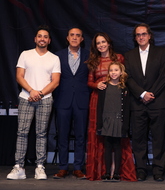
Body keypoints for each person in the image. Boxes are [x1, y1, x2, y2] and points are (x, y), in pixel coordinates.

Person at [7, 25, 61, 180]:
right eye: (39, 36)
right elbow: (19, 76)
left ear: (49, 40)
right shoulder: (25, 54)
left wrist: (40, 93)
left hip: (45, 99)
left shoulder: (54, 58)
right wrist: (31, 91)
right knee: (22, 133)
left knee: (41, 134)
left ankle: (40, 167)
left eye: (45, 37)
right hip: (26, 98)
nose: (42, 39)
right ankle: (19, 167)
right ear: (35, 39)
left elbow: (55, 81)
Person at [85, 32, 136, 181]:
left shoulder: (118, 58)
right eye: (98, 43)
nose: (101, 45)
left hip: (116, 98)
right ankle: (102, 170)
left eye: (103, 42)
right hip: (98, 99)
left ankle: (118, 169)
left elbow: (124, 78)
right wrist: (96, 84)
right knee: (102, 136)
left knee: (118, 138)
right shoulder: (93, 61)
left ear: (108, 43)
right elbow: (89, 82)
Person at [124, 23, 165, 181]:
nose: (141, 37)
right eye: (138, 35)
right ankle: (141, 169)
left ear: (150, 36)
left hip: (157, 102)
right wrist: (142, 94)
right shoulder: (128, 55)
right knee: (138, 138)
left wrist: (151, 94)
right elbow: (127, 77)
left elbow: (164, 76)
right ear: (135, 38)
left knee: (158, 138)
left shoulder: (161, 52)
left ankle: (158, 170)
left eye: (143, 34)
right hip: (137, 103)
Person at [53, 28, 90, 179]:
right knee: (62, 135)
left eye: (78, 36)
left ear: (82, 39)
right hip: (63, 100)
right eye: (72, 35)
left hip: (82, 100)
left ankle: (78, 167)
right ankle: (63, 167)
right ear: (67, 38)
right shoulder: (57, 56)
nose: (75, 38)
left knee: (81, 136)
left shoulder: (89, 55)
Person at [97, 62, 130, 181]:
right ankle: (106, 172)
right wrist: (99, 123)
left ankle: (116, 172)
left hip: (118, 120)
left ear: (121, 72)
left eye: (116, 70)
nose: (113, 73)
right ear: (108, 72)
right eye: (111, 70)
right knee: (107, 146)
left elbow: (126, 108)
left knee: (117, 146)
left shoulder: (124, 88)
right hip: (106, 119)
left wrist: (125, 124)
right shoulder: (104, 87)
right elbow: (100, 106)